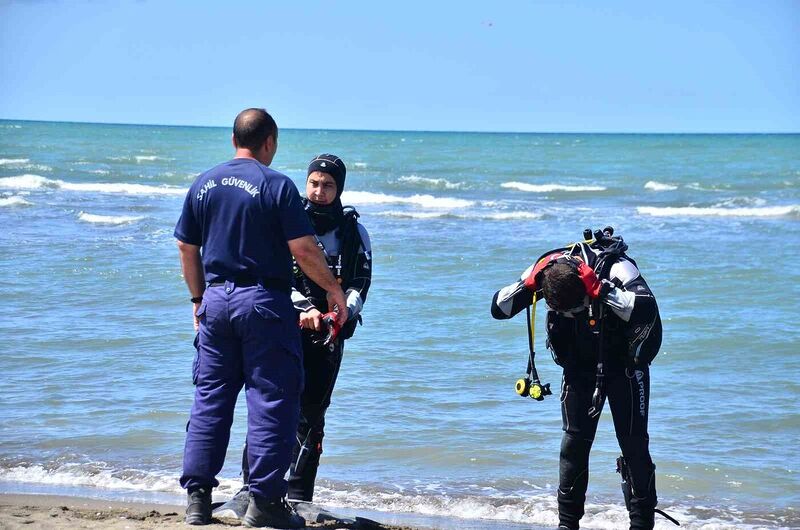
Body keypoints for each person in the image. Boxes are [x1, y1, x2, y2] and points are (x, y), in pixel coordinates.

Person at [174, 109, 348, 528]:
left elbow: (186, 248)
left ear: (235, 138)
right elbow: (304, 250)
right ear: (269, 141)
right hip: (263, 303)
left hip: (215, 301)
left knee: (210, 400)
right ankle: (265, 503)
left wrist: (198, 299)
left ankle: (198, 500)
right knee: (273, 400)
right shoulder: (276, 185)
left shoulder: (203, 183)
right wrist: (333, 289)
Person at [490, 229, 663, 530]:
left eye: (576, 309)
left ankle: (641, 524)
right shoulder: (547, 269)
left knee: (634, 445)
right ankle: (567, 525)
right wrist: (526, 284)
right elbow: (498, 309)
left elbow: (647, 308)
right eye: (563, 312)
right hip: (580, 367)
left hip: (626, 364)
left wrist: (602, 290)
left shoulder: (616, 268)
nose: (572, 315)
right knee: (573, 445)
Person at [233, 153, 372, 511]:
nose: (319, 190)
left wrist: (342, 314)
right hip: (283, 327)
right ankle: (252, 489)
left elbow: (360, 282)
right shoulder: (287, 222)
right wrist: (304, 308)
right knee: (271, 405)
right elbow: (273, 275)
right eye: (314, 183)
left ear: (339, 187)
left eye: (328, 185)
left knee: (313, 414)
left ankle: (298, 496)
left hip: (330, 334)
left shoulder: (354, 231)